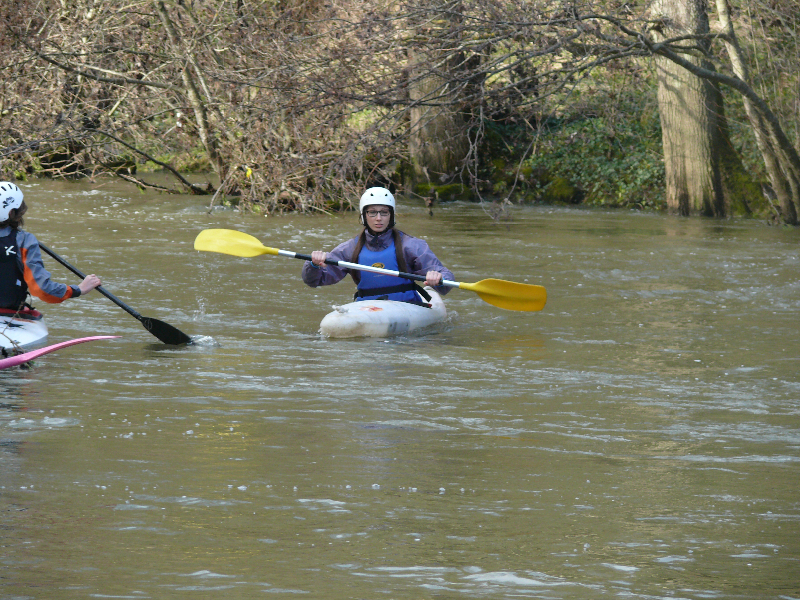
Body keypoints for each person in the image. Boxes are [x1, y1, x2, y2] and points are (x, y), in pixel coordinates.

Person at [301, 187, 453, 305]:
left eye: (384, 212)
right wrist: (313, 265)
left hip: (407, 306)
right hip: (366, 307)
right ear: (364, 215)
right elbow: (315, 281)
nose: (378, 218)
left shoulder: (411, 246)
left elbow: (446, 280)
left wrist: (439, 278)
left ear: (391, 215)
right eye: (372, 212)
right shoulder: (349, 249)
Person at [0, 181, 101, 312]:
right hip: (8, 311)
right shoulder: (24, 240)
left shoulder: (23, 240)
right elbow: (42, 290)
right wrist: (78, 289)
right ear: (12, 212)